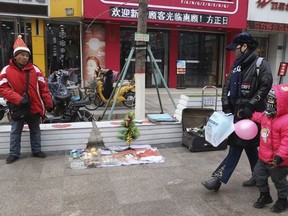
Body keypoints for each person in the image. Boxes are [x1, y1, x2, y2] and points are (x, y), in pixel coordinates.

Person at [202, 32, 273, 191]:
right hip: (236, 113)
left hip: (252, 115)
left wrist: (250, 106)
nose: (234, 51)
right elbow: (226, 87)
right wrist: (226, 105)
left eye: (236, 47)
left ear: (245, 47)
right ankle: (259, 176)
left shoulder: (261, 64)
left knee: (236, 145)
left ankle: (217, 179)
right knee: (249, 146)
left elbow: (265, 87)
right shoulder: (236, 65)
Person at [0, 35, 53, 164]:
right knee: (15, 131)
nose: (25, 57)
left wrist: (49, 102)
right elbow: (3, 89)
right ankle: (14, 153)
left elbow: (43, 88)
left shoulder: (35, 69)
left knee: (35, 130)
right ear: (15, 56)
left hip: (34, 106)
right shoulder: (6, 70)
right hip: (17, 107)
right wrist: (18, 99)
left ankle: (36, 150)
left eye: (26, 55)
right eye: (22, 55)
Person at [251, 85, 288, 213]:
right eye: (268, 100)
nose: (269, 104)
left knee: (279, 181)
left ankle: (283, 200)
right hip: (264, 156)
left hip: (279, 160)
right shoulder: (267, 115)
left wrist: (280, 156)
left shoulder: (286, 121)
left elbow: (286, 142)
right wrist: (249, 114)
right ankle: (265, 195)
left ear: (282, 103)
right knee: (258, 174)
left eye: (273, 101)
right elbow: (258, 117)